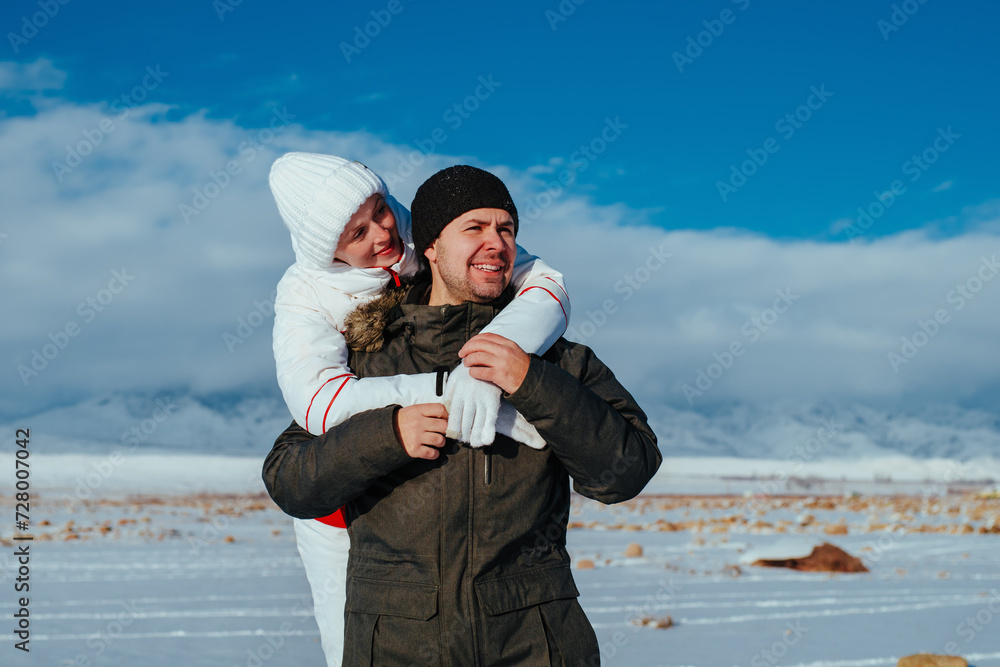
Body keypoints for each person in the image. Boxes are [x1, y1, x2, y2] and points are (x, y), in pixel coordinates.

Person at [263, 165, 661, 666]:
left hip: (534, 644)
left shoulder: (555, 359)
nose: (495, 242)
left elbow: (627, 471)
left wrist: (529, 381)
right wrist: (388, 433)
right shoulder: (368, 363)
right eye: (474, 228)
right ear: (429, 245)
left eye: (507, 229)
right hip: (396, 646)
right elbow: (291, 482)